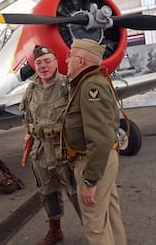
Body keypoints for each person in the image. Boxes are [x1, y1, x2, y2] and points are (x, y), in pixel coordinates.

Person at [61, 38, 127, 245]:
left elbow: (99, 138)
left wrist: (90, 181)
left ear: (81, 61)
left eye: (70, 56)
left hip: (93, 162)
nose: (66, 59)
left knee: (94, 224)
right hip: (102, 160)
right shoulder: (89, 82)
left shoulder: (90, 87)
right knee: (110, 213)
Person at [19, 45, 82, 245]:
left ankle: (96, 232)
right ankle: (55, 231)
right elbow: (26, 117)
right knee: (47, 194)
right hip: (40, 152)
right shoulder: (31, 90)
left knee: (77, 194)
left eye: (47, 61)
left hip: (64, 150)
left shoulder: (69, 86)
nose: (43, 66)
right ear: (34, 66)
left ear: (56, 63)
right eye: (39, 63)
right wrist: (28, 135)